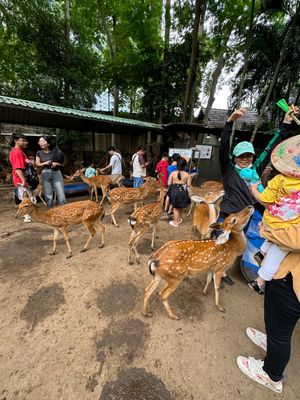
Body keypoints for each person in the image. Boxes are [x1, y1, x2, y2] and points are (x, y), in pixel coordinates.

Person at [218, 107, 296, 285]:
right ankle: (217, 272)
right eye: (241, 156)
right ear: (235, 157)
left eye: (249, 156)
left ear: (253, 157)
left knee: (235, 246)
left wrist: (285, 124)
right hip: (229, 215)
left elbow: (270, 148)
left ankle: (223, 270)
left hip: (246, 217)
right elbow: (223, 147)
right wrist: (230, 122)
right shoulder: (229, 170)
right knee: (221, 242)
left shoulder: (256, 169)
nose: (245, 159)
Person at [248, 134, 300, 294]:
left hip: (272, 220)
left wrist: (254, 191)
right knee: (279, 250)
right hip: (287, 227)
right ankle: (260, 280)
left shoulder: (279, 179)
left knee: (272, 238)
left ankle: (262, 252)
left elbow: (265, 199)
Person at [35, 136, 66, 208]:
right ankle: (50, 210)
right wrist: (45, 163)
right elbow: (37, 164)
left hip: (56, 172)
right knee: (48, 194)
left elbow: (63, 163)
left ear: (48, 143)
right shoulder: (39, 153)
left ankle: (64, 209)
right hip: (45, 173)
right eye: (40, 142)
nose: (41, 143)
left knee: (60, 193)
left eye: (43, 141)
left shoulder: (56, 152)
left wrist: (56, 164)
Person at [9, 133, 32, 223]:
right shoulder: (17, 152)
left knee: (26, 198)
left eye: (26, 140)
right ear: (16, 141)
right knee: (25, 199)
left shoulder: (20, 151)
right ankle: (27, 216)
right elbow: (18, 168)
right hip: (21, 179)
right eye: (22, 140)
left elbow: (24, 163)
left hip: (22, 178)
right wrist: (23, 180)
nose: (25, 142)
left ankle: (27, 215)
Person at [168, 158, 191, 227]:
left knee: (175, 208)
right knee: (180, 207)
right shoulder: (187, 174)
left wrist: (175, 182)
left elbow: (169, 184)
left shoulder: (173, 173)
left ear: (177, 165)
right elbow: (189, 185)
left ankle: (175, 222)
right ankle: (179, 219)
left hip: (175, 190)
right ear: (185, 166)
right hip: (183, 191)